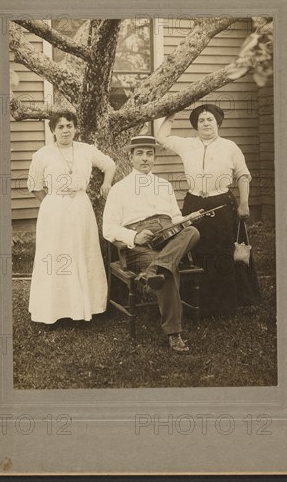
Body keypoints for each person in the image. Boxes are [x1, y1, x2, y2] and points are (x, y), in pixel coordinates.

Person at [157, 104, 261, 318]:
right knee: (195, 250)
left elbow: (242, 175)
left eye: (210, 119)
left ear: (218, 122)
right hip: (194, 203)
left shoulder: (230, 147)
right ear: (195, 125)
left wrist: (244, 203)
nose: (205, 123)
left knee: (222, 253)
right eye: (201, 120)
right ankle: (198, 303)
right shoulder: (187, 145)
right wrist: (171, 114)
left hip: (221, 203)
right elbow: (161, 138)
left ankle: (224, 306)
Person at [103, 135, 200, 353]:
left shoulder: (164, 185)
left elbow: (175, 217)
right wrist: (133, 237)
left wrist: (186, 219)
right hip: (141, 244)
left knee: (192, 231)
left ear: (155, 157)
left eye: (149, 154)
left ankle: (154, 269)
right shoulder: (119, 188)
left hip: (169, 236)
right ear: (130, 157)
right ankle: (174, 334)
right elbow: (108, 228)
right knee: (166, 271)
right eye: (139, 153)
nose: (145, 158)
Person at [27, 112, 116, 324]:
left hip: (80, 208)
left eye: (69, 126)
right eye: (60, 127)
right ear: (53, 131)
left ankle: (87, 308)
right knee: (55, 255)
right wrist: (52, 202)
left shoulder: (86, 150)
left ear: (75, 129)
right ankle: (52, 311)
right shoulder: (43, 154)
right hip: (54, 211)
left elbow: (109, 164)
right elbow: (34, 185)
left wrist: (107, 183)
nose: (65, 130)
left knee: (81, 252)